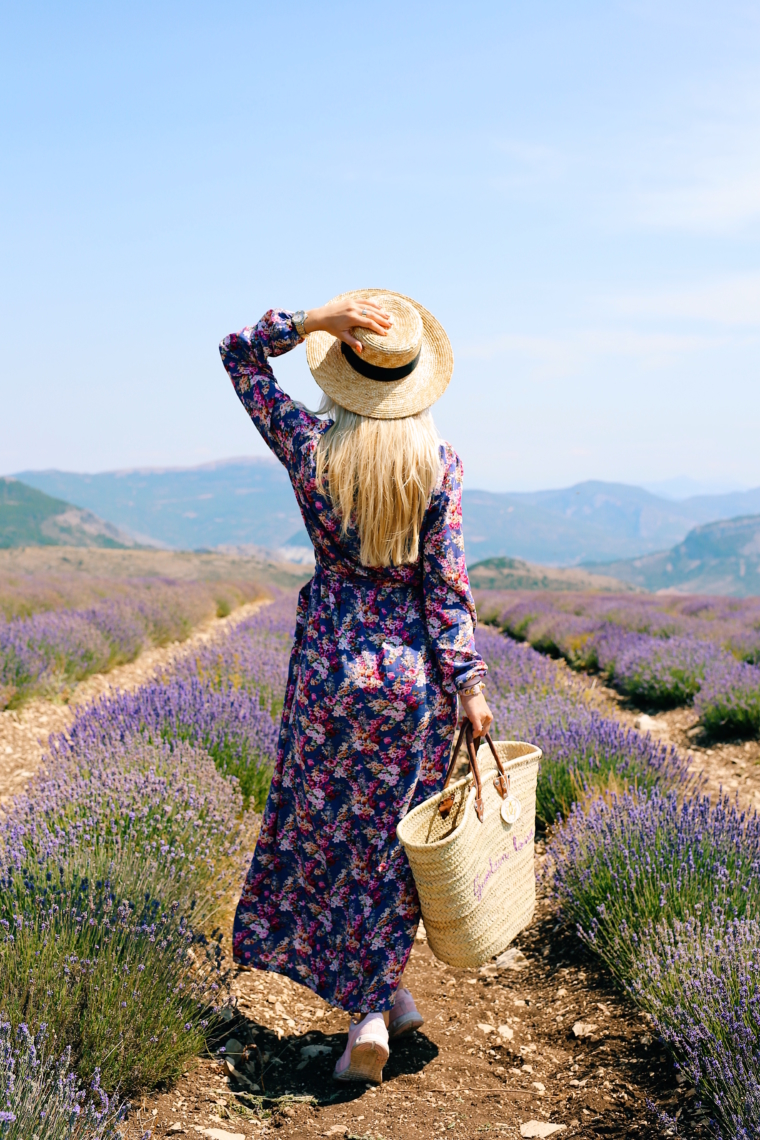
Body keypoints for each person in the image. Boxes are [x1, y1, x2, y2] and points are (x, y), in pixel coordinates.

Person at [219, 289, 493, 1085]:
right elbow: (447, 590)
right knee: (390, 846)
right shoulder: (439, 465)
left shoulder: (311, 448)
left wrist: (310, 321)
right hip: (412, 685)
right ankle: (387, 1000)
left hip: (329, 674)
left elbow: (238, 355)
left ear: (345, 377)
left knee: (333, 836)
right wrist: (469, 686)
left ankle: (370, 1010)